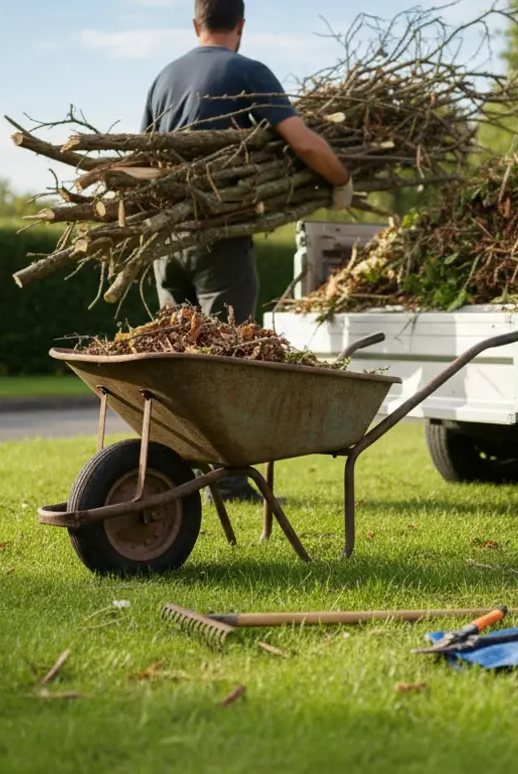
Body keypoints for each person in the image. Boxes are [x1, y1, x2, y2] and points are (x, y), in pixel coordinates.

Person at [140, 0, 353, 502]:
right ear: (240, 26)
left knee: (177, 357)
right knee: (230, 356)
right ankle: (230, 481)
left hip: (165, 243)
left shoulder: (163, 78)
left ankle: (178, 475)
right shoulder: (248, 70)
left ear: (196, 25)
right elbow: (302, 142)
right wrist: (340, 179)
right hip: (220, 240)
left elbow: (147, 160)